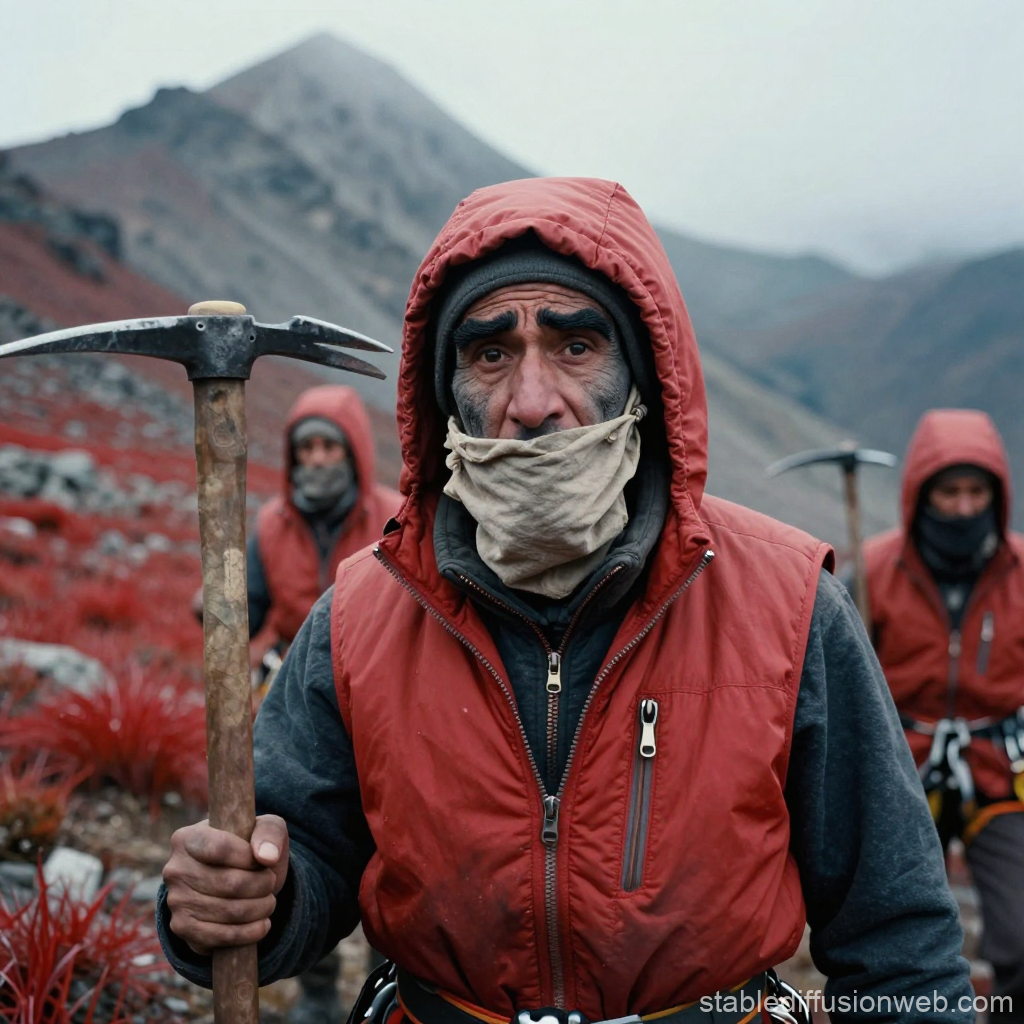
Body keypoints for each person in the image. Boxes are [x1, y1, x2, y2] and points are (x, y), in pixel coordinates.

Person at [159, 178, 973, 1024]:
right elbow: (301, 858)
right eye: (489, 353)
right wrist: (245, 898)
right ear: (445, 397)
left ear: (644, 377)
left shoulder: (790, 602)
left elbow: (898, 934)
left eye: (576, 345)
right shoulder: (364, 612)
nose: (533, 401)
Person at [192, 383, 402, 1024]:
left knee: (390, 853)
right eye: (304, 447)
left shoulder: (397, 519)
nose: (315, 459)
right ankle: (315, 992)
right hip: (293, 700)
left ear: (356, 455)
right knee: (296, 843)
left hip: (384, 706)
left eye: (328, 447)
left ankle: (386, 981)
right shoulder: (269, 526)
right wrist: (218, 607)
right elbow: (248, 610)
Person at [862, 409, 1024, 1023]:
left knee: (1022, 938)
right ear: (920, 494)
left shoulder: (1021, 574)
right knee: (891, 936)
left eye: (976, 492)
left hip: (1001, 776)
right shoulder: (875, 572)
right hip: (900, 770)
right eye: (948, 490)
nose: (962, 507)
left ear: (997, 496)